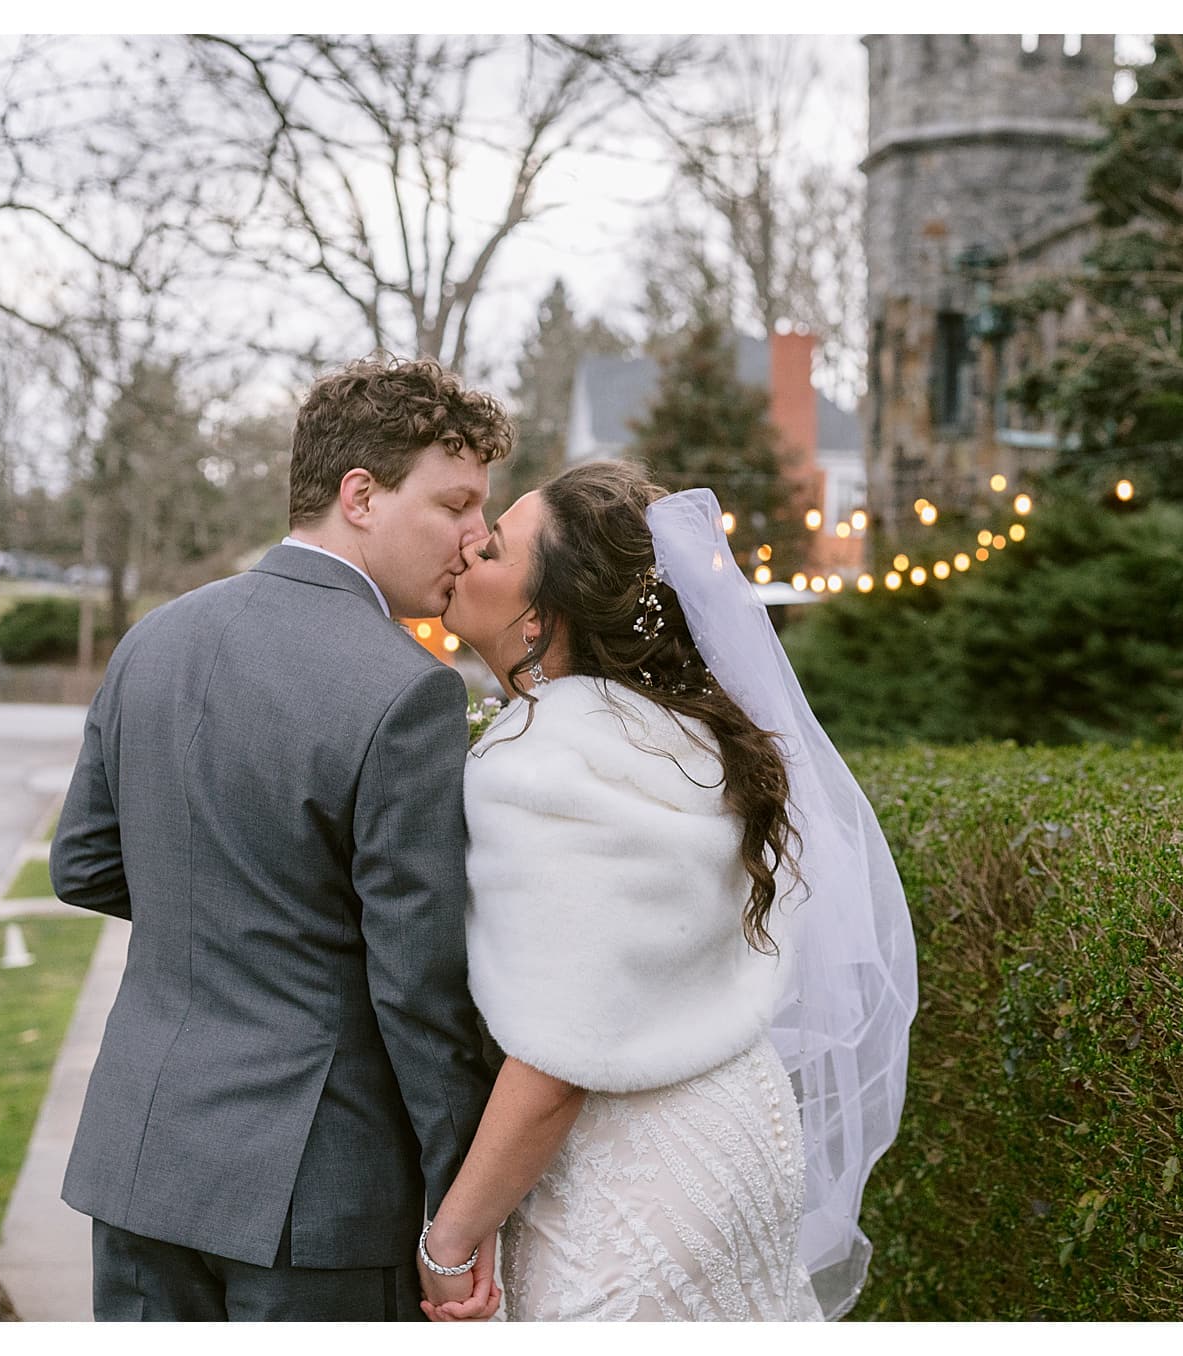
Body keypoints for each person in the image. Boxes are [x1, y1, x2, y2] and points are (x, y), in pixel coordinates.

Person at [49, 355, 513, 1321]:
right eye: (455, 502)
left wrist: (227, 909)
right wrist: (462, 1212)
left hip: (140, 1158)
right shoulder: (409, 690)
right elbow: (417, 985)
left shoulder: (155, 637)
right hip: (317, 1195)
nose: (475, 539)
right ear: (360, 495)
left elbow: (85, 864)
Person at [426, 459, 917, 1322]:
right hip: (740, 1131)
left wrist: (452, 1238)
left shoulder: (541, 764)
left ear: (538, 617)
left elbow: (555, 1061)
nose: (469, 547)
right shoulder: (690, 738)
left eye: (496, 546)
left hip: (633, 1176)